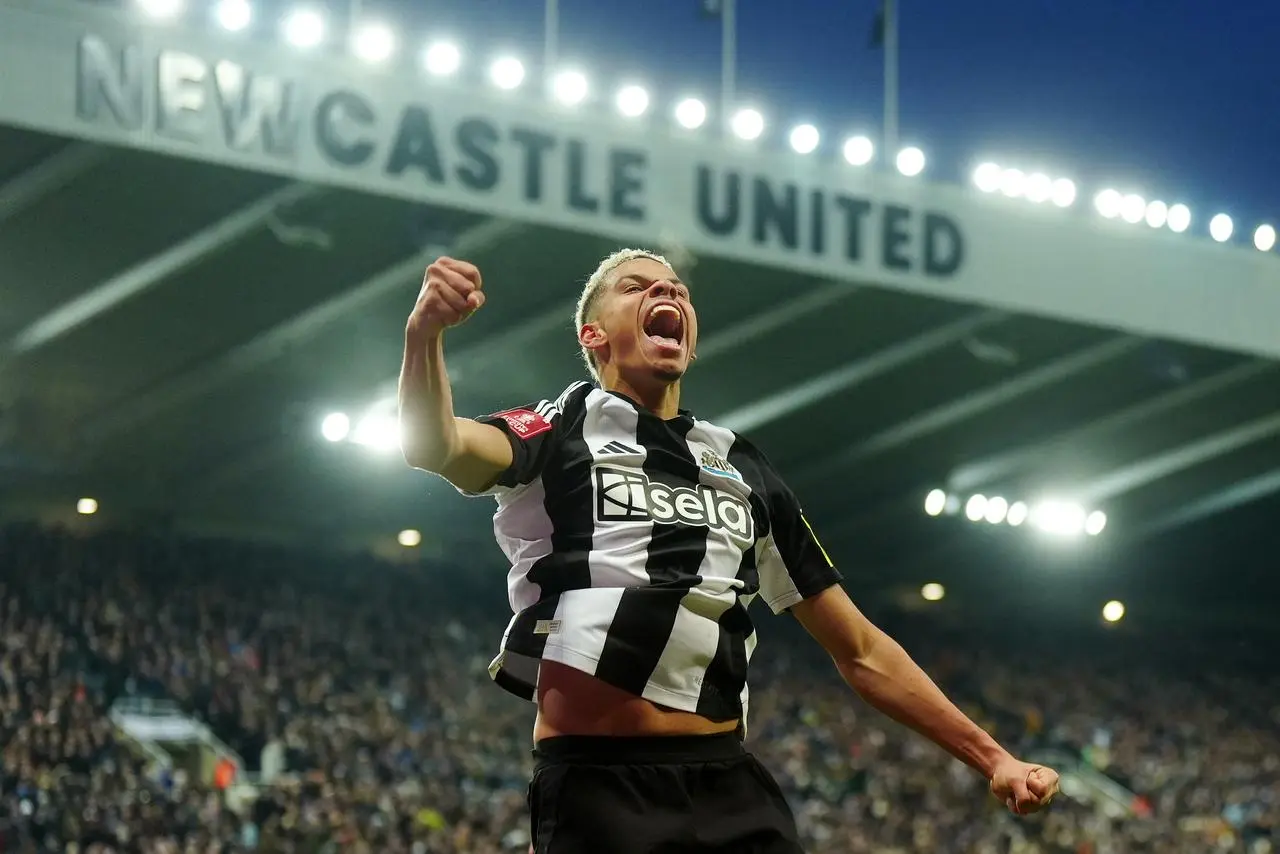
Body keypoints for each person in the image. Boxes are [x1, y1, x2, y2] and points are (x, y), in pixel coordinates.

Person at [399, 250, 1059, 853]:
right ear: (592, 335)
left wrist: (994, 758)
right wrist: (424, 334)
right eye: (637, 287)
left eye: (679, 291)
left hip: (728, 785)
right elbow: (436, 448)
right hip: (601, 789)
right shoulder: (559, 426)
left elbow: (859, 647)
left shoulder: (741, 465)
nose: (667, 290)